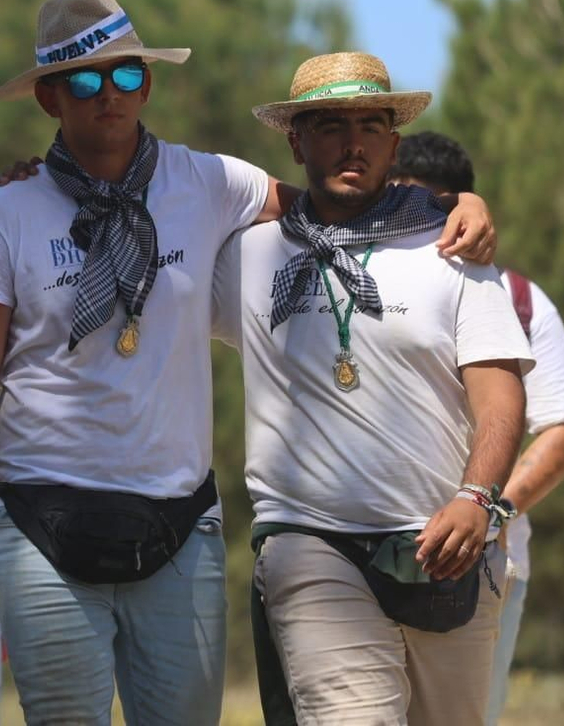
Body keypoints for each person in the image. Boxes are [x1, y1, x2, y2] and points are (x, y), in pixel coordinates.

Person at [0, 0, 497, 724]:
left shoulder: (211, 181)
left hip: (180, 527)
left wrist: (451, 204)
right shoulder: (6, 217)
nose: (107, 96)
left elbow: (338, 207)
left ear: (146, 83)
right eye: (83, 82)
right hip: (41, 522)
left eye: (123, 76)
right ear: (51, 98)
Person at [212, 51, 534, 724]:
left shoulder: (453, 250)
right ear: (295, 140)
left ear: (394, 141)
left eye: (370, 124)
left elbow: (501, 398)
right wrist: (48, 178)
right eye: (328, 124)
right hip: (310, 542)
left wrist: (477, 498)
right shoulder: (245, 257)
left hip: (445, 544)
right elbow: (152, 236)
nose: (351, 141)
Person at [389, 130, 564, 724]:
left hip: (486, 567)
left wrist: (490, 512)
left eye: (427, 204)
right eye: (395, 198)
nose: (409, 218)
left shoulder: (518, 299)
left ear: (459, 207)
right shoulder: (354, 281)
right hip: (362, 550)